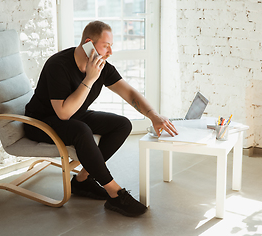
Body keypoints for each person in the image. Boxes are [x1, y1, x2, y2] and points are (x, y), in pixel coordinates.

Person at [24, 21, 178, 217]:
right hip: (41, 122)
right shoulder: (58, 65)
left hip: (74, 117)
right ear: (89, 42)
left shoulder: (101, 66)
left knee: (122, 124)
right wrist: (89, 79)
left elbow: (129, 93)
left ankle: (82, 180)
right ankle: (115, 194)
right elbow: (63, 113)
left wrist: (153, 115)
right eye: (106, 45)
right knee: (81, 130)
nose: (110, 52)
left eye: (111, 46)